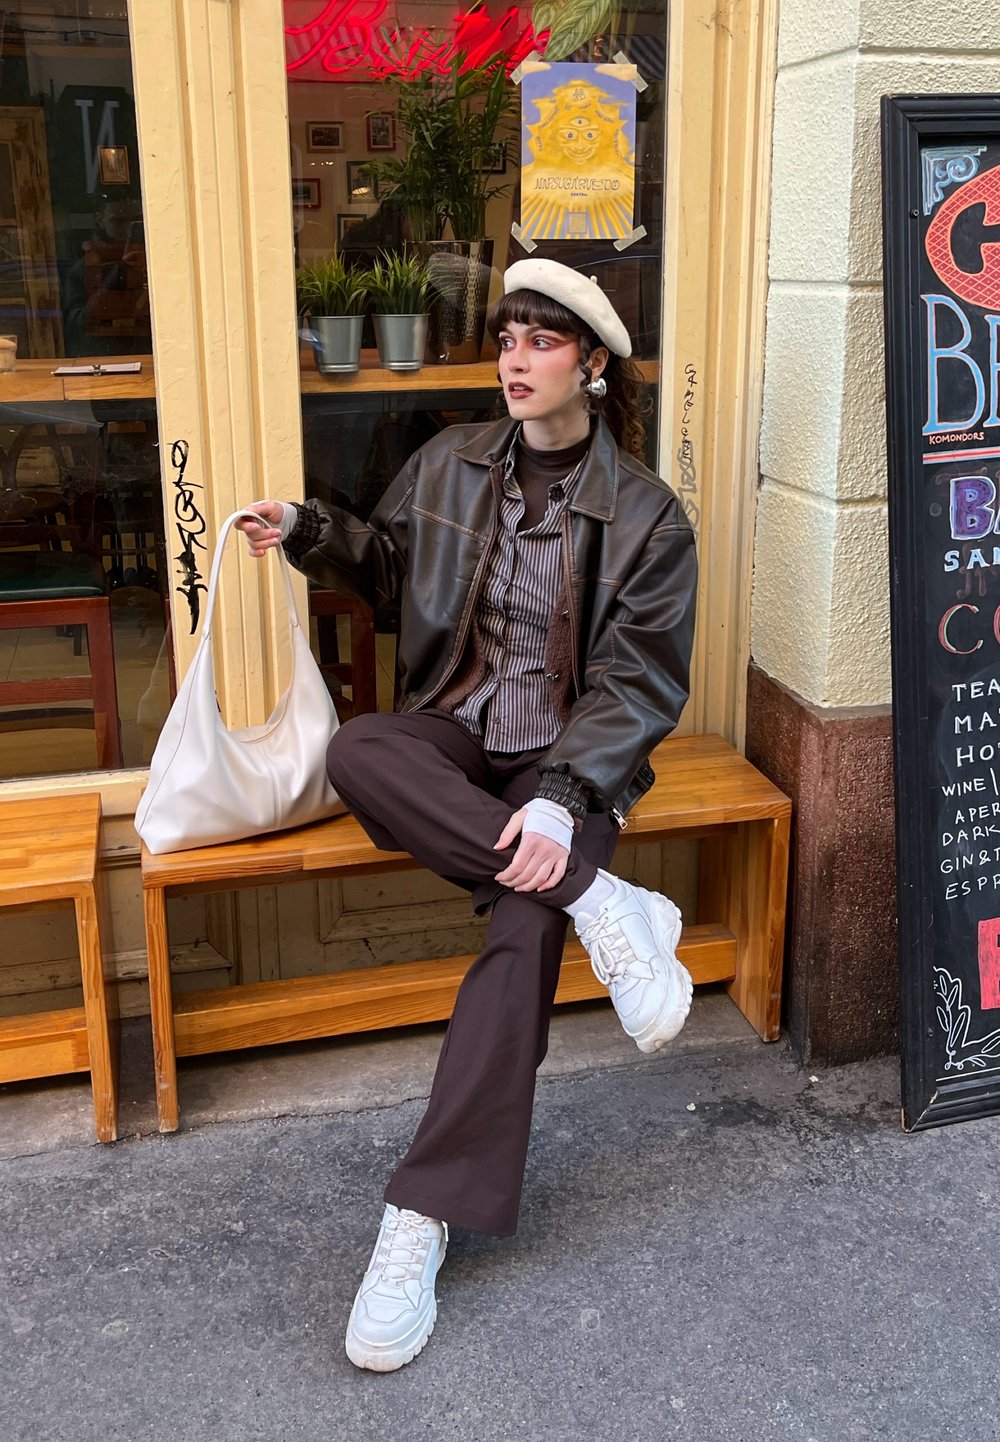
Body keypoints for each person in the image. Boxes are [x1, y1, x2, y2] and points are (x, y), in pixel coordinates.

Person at [236, 258, 698, 1373]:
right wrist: (308, 528)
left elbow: (635, 684)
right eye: (506, 339)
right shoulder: (450, 460)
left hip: (566, 762)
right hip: (452, 733)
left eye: (540, 343)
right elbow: (393, 568)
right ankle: (604, 895)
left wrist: (557, 800)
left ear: (591, 361)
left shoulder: (643, 516)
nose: (514, 360)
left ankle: (420, 1216)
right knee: (360, 747)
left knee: (521, 926)